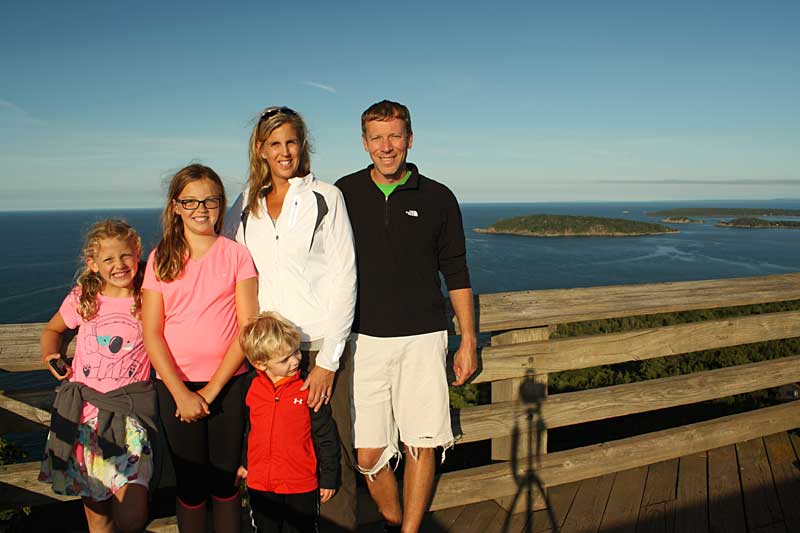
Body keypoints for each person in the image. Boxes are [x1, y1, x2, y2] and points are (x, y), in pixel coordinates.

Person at [335, 100, 478, 532]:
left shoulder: (438, 197)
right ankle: (395, 518)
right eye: (377, 137)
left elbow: (456, 271)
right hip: (363, 339)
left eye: (395, 135)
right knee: (367, 454)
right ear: (364, 143)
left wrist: (468, 340)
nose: (387, 146)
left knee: (422, 441)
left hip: (423, 336)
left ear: (410, 139)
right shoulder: (343, 193)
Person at [224, 106, 358, 531]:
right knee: (272, 450)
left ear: (303, 145)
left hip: (316, 347)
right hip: (265, 352)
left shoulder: (327, 197)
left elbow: (344, 278)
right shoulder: (245, 204)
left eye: (292, 142)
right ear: (260, 149)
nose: (285, 151)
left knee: (330, 453)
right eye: (275, 143)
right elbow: (222, 261)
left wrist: (328, 360)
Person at [142, 164, 258, 533]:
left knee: (225, 484)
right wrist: (181, 392)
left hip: (228, 384)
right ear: (175, 206)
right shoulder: (161, 258)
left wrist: (210, 390)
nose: (201, 208)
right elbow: (152, 332)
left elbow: (247, 327)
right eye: (190, 201)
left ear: (221, 204)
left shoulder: (237, 255)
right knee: (190, 487)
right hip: (176, 388)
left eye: (210, 199)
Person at [39, 219, 155, 533]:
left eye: (126, 256)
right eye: (108, 259)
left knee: (132, 515)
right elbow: (53, 329)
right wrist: (52, 354)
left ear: (138, 252)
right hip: (84, 418)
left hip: (128, 417)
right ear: (92, 264)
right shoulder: (83, 298)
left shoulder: (150, 297)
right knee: (98, 517)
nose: (119, 265)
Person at [237, 311, 340, 533]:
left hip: (301, 485)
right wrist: (246, 462)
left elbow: (325, 434)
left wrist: (329, 476)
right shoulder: (251, 387)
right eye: (285, 359)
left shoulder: (308, 388)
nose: (295, 360)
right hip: (261, 484)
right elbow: (250, 429)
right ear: (260, 364)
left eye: (295, 352)